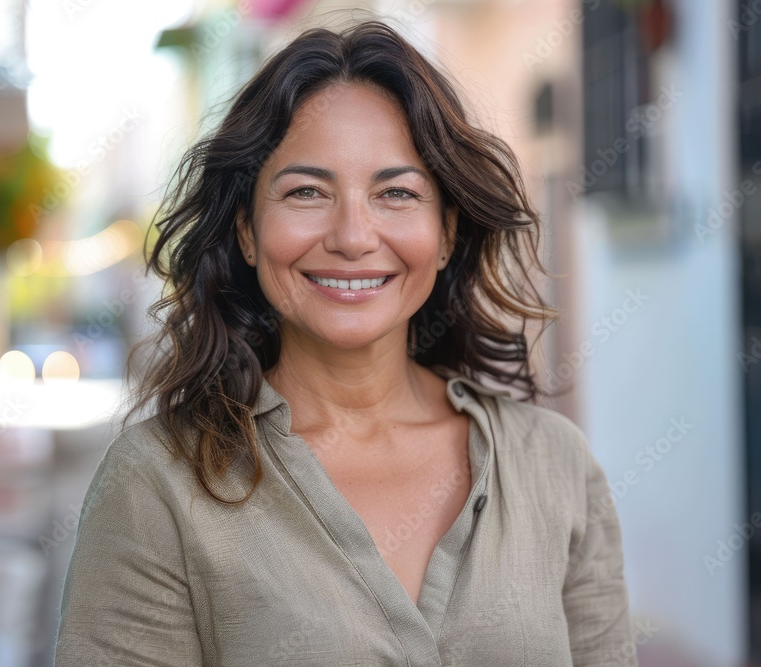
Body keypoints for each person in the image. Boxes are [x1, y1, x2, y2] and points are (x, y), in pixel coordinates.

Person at [54, 19, 637, 667]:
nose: (353, 235)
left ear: (445, 232)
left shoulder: (554, 464)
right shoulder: (156, 483)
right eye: (307, 191)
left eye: (396, 193)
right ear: (247, 229)